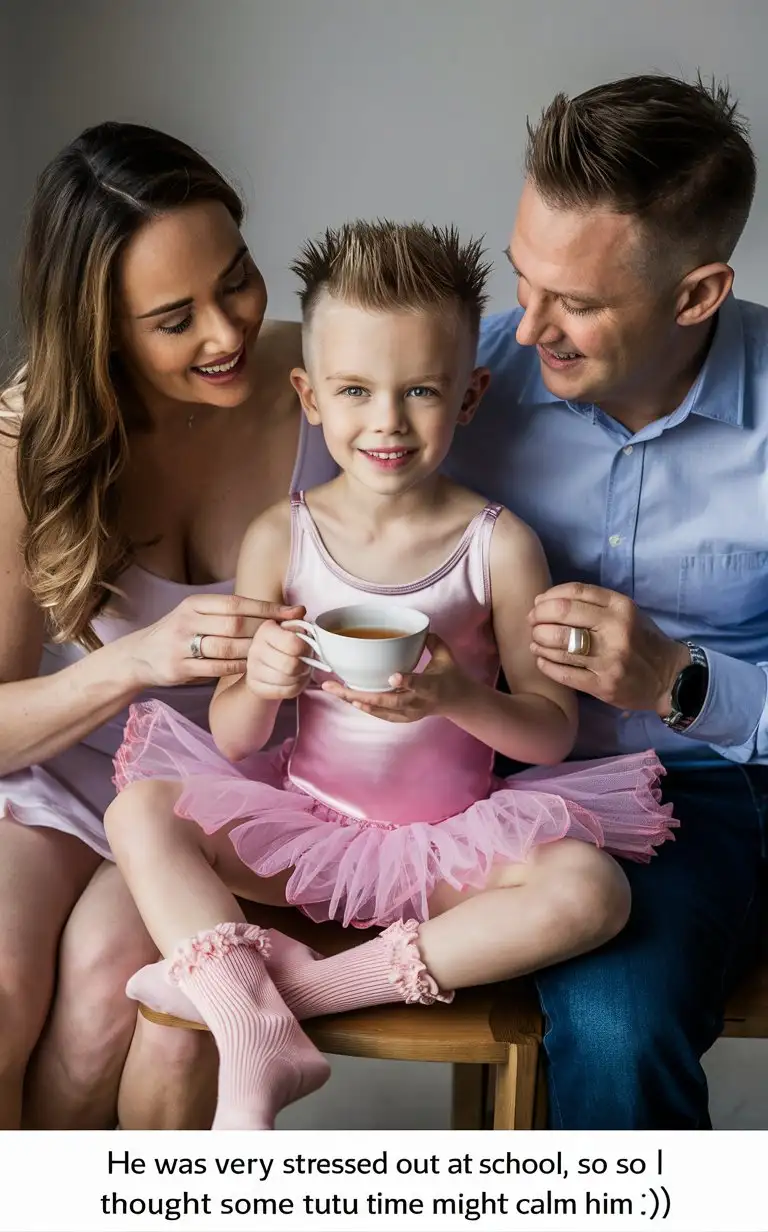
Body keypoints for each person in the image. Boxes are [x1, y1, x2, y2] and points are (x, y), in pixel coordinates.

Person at [107, 220, 676, 1130]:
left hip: (450, 845)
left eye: (420, 390)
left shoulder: (501, 544)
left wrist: (455, 696)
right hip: (305, 828)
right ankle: (245, 1005)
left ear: (470, 395)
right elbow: (234, 738)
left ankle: (281, 1006)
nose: (388, 421)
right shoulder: (279, 537)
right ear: (310, 396)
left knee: (594, 892)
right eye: (356, 390)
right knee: (138, 809)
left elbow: (551, 730)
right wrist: (261, 678)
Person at [439, 74, 768, 1128]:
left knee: (619, 1028)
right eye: (522, 277)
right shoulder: (461, 385)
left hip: (699, 796)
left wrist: (682, 680)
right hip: (472, 785)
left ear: (697, 294)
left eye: (577, 302)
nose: (527, 328)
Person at [0, 120, 336, 1130]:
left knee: (106, 1001)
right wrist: (137, 660)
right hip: (64, 760)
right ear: (98, 329)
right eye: (173, 317)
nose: (227, 332)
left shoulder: (317, 387)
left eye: (236, 279)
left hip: (224, 785)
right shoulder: (29, 437)